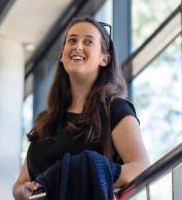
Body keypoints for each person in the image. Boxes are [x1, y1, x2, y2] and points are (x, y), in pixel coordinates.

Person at [12, 16, 150, 199]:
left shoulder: (115, 109)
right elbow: (20, 183)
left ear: (105, 59)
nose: (78, 46)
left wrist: (85, 177)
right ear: (62, 55)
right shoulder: (47, 120)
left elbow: (141, 167)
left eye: (88, 41)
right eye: (72, 40)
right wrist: (22, 192)